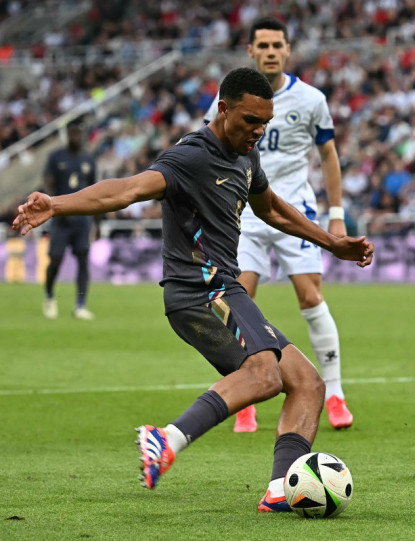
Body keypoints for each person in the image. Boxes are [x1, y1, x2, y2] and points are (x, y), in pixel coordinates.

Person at [13, 68, 374, 511]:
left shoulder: (245, 155)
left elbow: (273, 209)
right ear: (223, 110)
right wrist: (57, 204)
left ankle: (281, 488)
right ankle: (166, 438)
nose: (258, 132)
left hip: (222, 288)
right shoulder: (192, 156)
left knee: (307, 383)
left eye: (265, 123)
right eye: (249, 121)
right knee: (264, 373)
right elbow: (126, 190)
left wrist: (333, 242)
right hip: (200, 289)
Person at [204, 16, 354, 432]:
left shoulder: (311, 99)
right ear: (250, 51)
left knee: (309, 295)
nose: (270, 51)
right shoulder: (229, 97)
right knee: (239, 298)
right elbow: (209, 146)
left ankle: (336, 392)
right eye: (263, 45)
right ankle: (248, 393)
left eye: (277, 45)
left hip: (296, 208)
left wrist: (336, 214)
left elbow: (328, 156)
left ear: (288, 50)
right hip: (245, 212)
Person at [42, 120, 98, 320]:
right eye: (72, 133)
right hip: (61, 219)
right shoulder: (56, 157)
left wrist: (97, 222)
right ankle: (49, 297)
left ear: (82, 135)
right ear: (67, 134)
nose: (76, 137)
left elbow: (96, 191)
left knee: (83, 261)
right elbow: (48, 184)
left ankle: (80, 305)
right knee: (55, 260)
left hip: (82, 221)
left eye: (78, 134)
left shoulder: (88, 160)